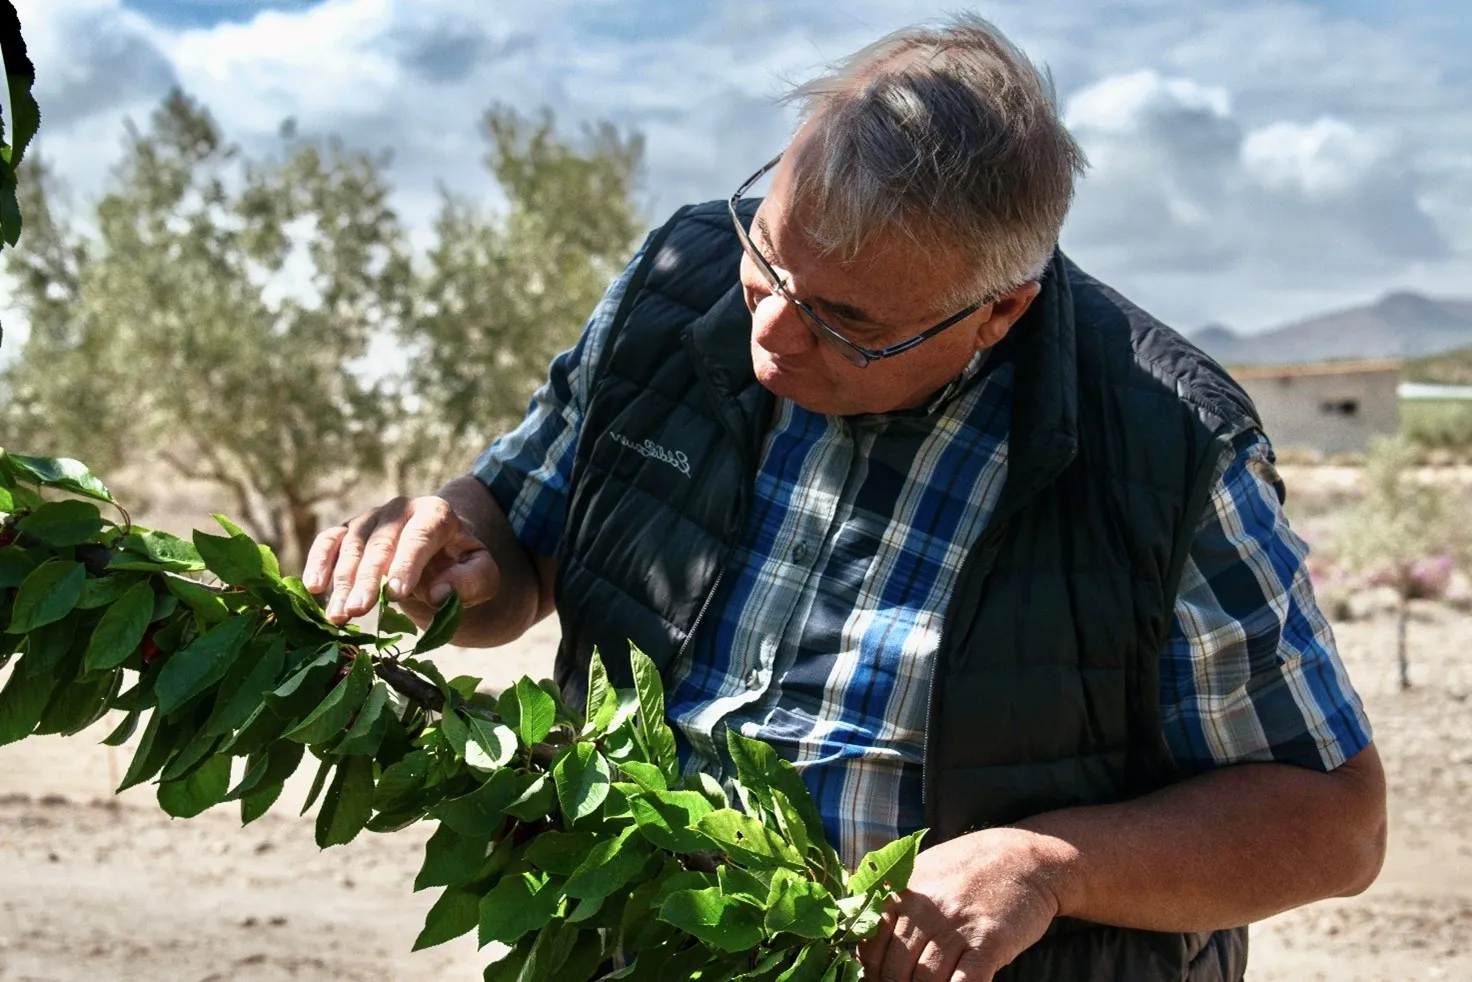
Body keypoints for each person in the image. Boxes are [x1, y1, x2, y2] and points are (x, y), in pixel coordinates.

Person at [304, 14, 1385, 982]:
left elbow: (1331, 822)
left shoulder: (1165, 443)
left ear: (997, 310)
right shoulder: (675, 282)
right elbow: (517, 544)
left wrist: (1050, 864)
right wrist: (458, 555)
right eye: (764, 260)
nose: (769, 332)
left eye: (846, 321)